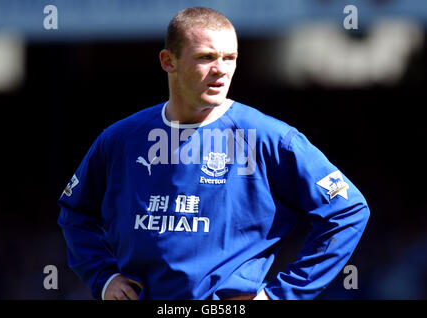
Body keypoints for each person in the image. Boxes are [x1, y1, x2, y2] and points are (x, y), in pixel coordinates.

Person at [58, 7, 370, 300]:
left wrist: (282, 294)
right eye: (206, 57)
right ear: (169, 61)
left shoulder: (268, 138)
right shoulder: (122, 138)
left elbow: (347, 210)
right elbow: (75, 212)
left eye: (230, 57)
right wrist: (104, 277)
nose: (220, 70)